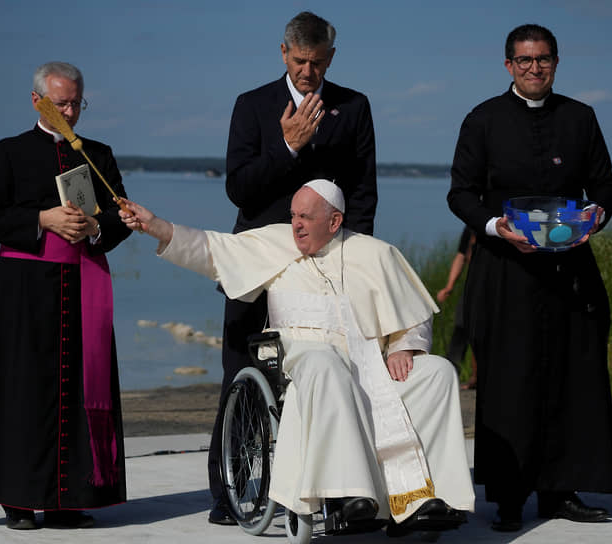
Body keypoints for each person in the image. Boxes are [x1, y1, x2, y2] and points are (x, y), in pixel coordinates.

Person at [119, 180, 474, 534]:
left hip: (369, 364)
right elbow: (210, 250)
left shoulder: (375, 253)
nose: (296, 225)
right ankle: (346, 494)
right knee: (326, 364)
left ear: (334, 222)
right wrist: (156, 226)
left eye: (305, 216)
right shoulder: (273, 242)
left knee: (438, 372)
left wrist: (403, 347)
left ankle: (428, 499)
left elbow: (415, 315)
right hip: (303, 362)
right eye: (293, 216)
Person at [447, 24, 612, 532]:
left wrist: (596, 217)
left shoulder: (581, 118)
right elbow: (460, 194)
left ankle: (561, 491)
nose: (534, 68)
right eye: (524, 60)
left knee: (573, 377)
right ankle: (507, 497)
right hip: (506, 270)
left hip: (570, 269)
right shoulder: (482, 120)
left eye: (543, 59)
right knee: (509, 381)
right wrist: (494, 227)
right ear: (508, 65)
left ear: (556, 62)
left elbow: (605, 186)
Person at [0, 61, 130, 530]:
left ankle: (69, 501)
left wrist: (95, 226)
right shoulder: (7, 152)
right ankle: (20, 501)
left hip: (82, 286)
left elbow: (120, 215)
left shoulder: (99, 154)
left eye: (76, 102)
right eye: (60, 102)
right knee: (22, 393)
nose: (70, 111)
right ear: (37, 101)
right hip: (23, 293)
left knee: (78, 390)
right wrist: (43, 220)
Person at [212, 10, 377, 524]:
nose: (309, 72)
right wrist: (287, 147)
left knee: (326, 370)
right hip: (257, 260)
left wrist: (355, 258)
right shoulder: (253, 105)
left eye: (319, 62)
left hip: (326, 263)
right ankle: (229, 491)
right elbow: (239, 189)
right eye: (301, 61)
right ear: (283, 53)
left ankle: (328, 487)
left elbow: (364, 192)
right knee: (240, 367)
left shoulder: (353, 107)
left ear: (332, 57)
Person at [435, 226, 477, 389]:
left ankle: (477, 377)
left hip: (495, 285)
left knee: (480, 332)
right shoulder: (471, 227)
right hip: (472, 284)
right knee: (461, 326)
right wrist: (449, 286)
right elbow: (461, 256)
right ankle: (451, 374)